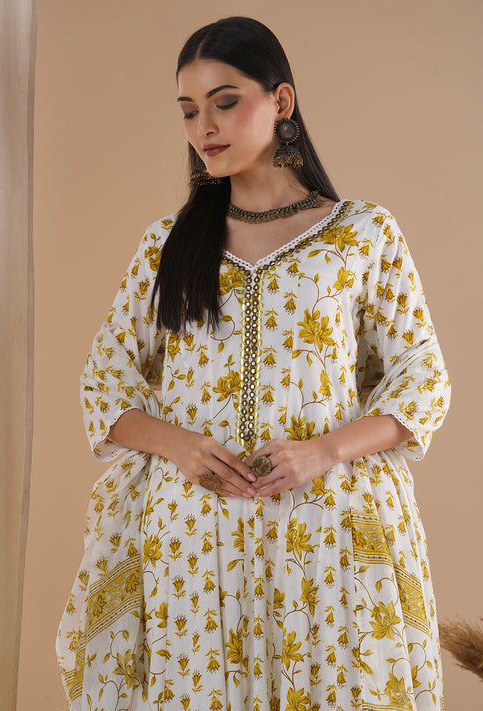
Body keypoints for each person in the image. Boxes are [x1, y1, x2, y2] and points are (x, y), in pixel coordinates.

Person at [56, 16, 450, 711]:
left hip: (326, 530)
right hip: (192, 538)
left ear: (281, 101)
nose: (203, 127)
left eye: (224, 101)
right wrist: (181, 447)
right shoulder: (168, 245)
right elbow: (104, 381)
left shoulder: (362, 234)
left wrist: (322, 451)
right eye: (188, 110)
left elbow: (422, 379)